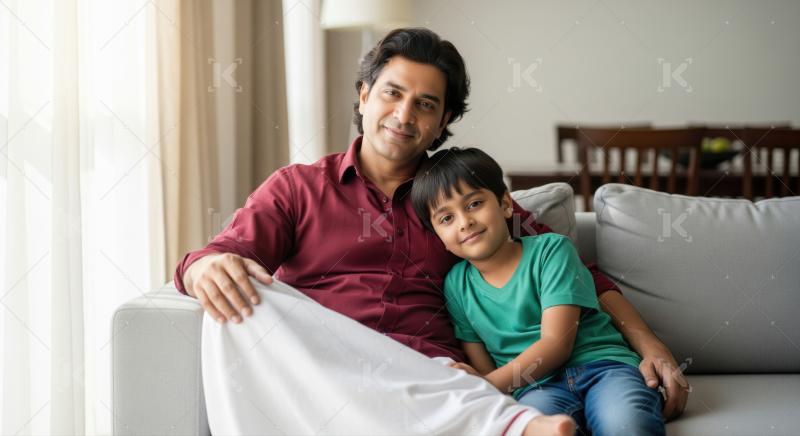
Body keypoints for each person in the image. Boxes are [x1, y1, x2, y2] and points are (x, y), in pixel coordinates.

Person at [175, 27, 687, 434]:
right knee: (242, 288)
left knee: (451, 389)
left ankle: (500, 421)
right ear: (363, 96)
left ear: (443, 122)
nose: (403, 115)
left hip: (431, 378)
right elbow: (218, 254)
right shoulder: (297, 189)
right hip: (330, 373)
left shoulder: (460, 201)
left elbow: (576, 273)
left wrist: (652, 347)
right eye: (392, 93)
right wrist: (205, 266)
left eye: (426, 104)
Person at [410, 147, 666, 435]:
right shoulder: (456, 286)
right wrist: (485, 384)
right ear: (438, 237)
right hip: (536, 388)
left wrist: (487, 384)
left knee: (626, 423)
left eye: (474, 204)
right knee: (536, 427)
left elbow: (558, 343)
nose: (464, 221)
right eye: (446, 219)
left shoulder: (551, 250)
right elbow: (482, 361)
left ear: (505, 204)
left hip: (602, 368)